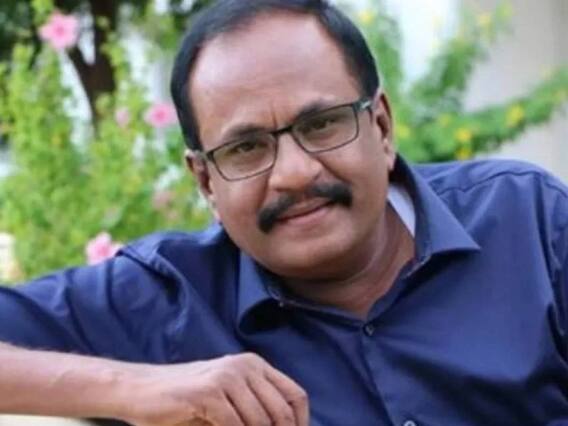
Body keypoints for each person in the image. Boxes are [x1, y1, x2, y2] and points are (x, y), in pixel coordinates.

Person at [0, 0, 567, 425]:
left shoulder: (528, 221)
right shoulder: (168, 299)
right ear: (205, 181)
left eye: (321, 124)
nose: (294, 173)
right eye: (246, 147)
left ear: (381, 126)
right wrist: (136, 389)